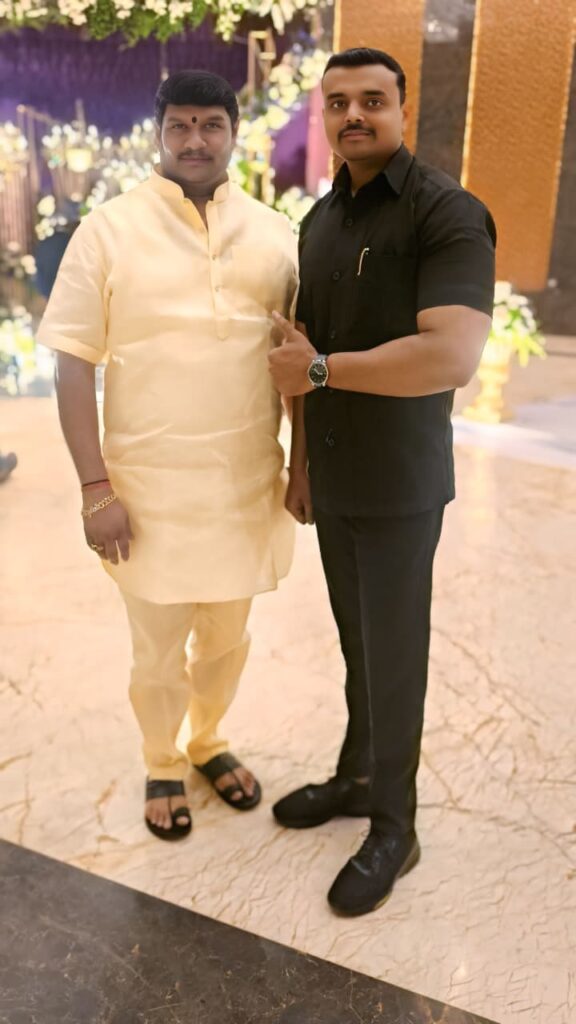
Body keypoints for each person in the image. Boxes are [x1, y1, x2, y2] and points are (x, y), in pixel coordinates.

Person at [37, 70, 298, 841]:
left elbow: (297, 357)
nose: (194, 139)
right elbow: (72, 363)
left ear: (233, 133)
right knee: (156, 651)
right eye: (179, 124)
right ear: (157, 133)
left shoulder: (276, 233)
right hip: (146, 495)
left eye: (210, 124)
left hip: (245, 487)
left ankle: (209, 742)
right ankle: (162, 760)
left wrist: (304, 468)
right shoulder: (108, 230)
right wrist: (95, 489)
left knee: (227, 642)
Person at [269, 47, 495, 916]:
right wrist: (301, 462)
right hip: (335, 478)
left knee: (395, 656)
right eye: (338, 103)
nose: (353, 115)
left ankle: (397, 828)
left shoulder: (447, 212)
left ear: (403, 108)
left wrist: (323, 372)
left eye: (372, 100)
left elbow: (451, 355)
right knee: (357, 644)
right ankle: (357, 776)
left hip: (400, 482)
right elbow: (299, 354)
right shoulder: (320, 219)